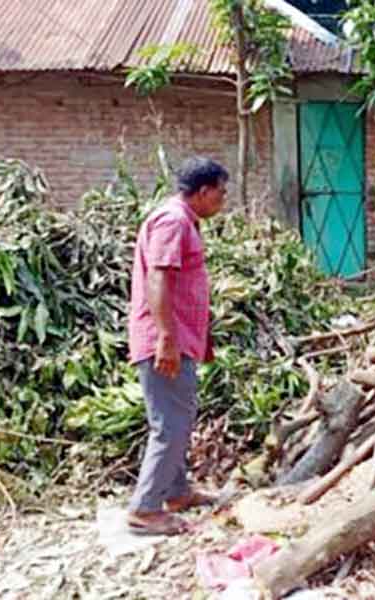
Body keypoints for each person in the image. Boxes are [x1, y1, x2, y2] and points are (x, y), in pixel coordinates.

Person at [125, 157, 228, 535]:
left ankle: (177, 492)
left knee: (177, 418)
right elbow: (159, 279)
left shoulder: (183, 220)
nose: (223, 200)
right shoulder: (173, 222)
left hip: (178, 337)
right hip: (165, 340)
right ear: (202, 191)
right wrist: (166, 338)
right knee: (170, 424)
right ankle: (145, 509)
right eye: (220, 192)